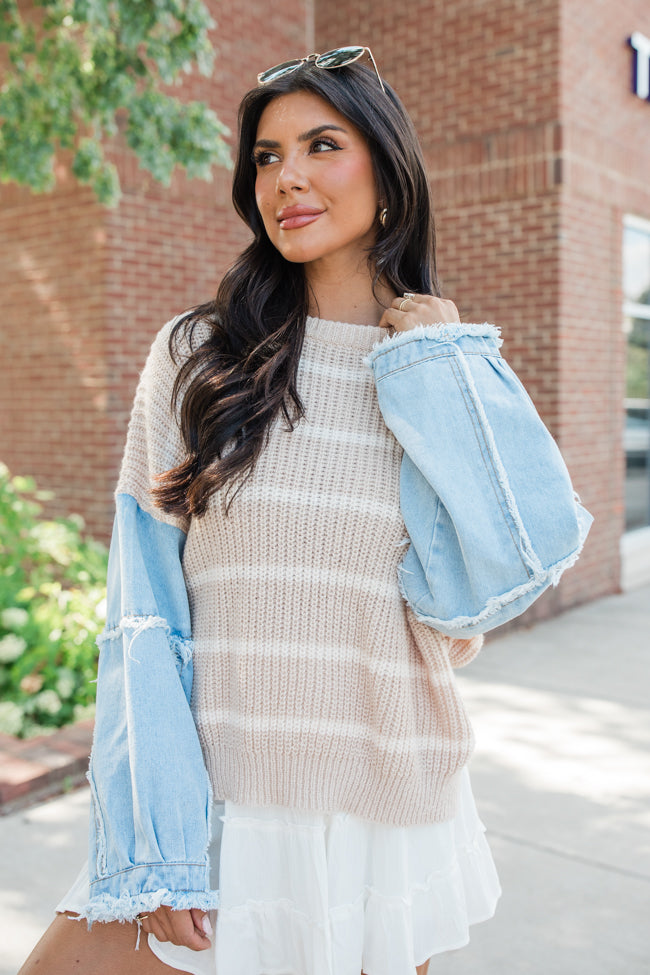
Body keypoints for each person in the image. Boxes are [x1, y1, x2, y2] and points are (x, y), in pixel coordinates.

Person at [18, 46, 590, 975]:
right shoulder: (197, 357)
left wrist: (443, 370)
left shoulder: (432, 369)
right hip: (221, 803)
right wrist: (157, 833)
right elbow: (142, 610)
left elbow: (496, 577)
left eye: (322, 145)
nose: (288, 178)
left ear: (389, 171)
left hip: (383, 801)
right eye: (268, 156)